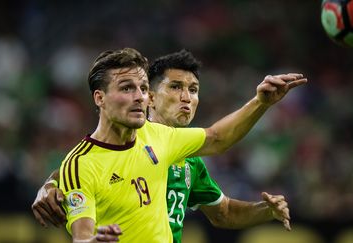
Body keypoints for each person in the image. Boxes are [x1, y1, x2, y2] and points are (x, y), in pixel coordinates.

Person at [32, 48, 307, 243]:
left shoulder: (179, 150)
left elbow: (222, 204)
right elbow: (84, 177)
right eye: (176, 87)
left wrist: (261, 103)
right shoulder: (85, 161)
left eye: (194, 90)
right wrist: (49, 184)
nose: (186, 97)